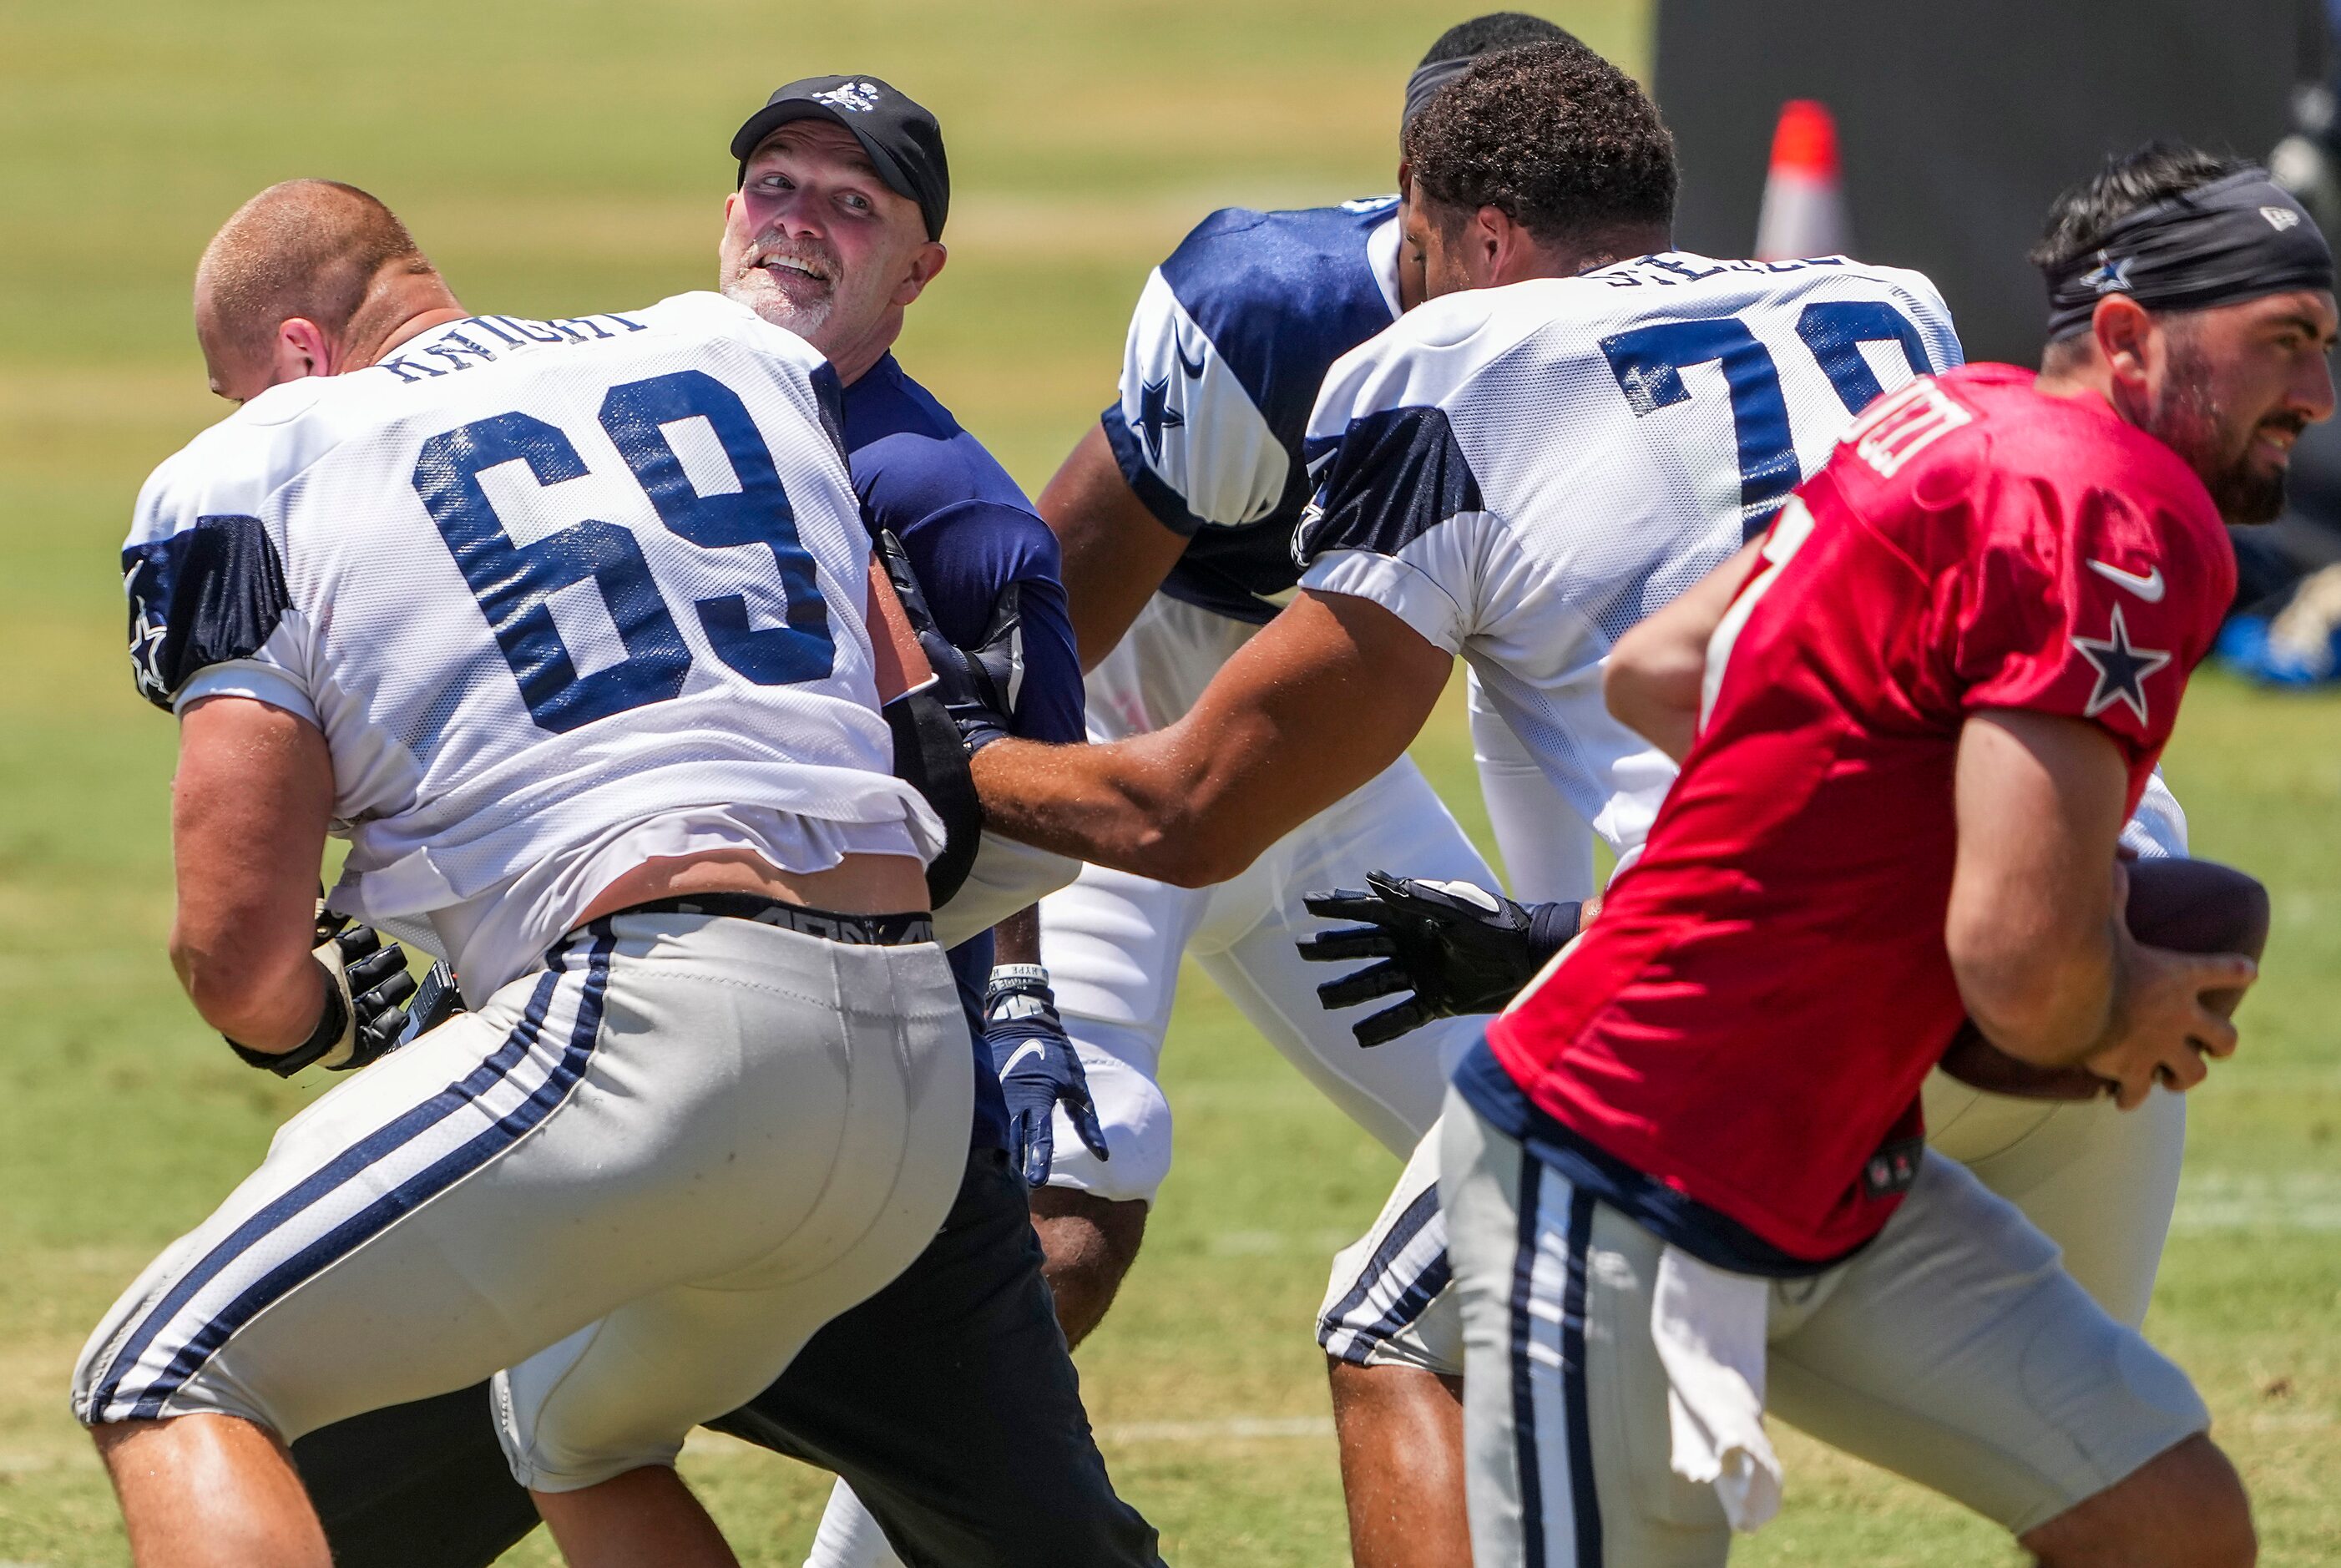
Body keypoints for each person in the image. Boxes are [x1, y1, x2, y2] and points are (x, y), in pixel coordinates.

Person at [913, 48, 2318, 1562]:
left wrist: (929, 757)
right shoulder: (1890, 312)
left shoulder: (1428, 367)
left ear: (1467, 235)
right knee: (2159, 1512)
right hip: (2080, 970)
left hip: (1780, 1024)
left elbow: (1191, 805)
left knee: (1400, 1330)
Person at [279, 78, 1165, 1568]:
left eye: (852, 202)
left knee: (1045, 1542)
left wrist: (1010, 987)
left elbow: (1018, 811)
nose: (798, 222)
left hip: (858, 1105)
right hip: (577, 1059)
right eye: (774, 184)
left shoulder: (948, 505)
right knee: (341, 1503)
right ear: (725, 212)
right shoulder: (580, 407)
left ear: (919, 268)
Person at [79, 179, 973, 1568]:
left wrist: (326, 1016)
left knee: (159, 1371)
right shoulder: (725, 351)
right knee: (571, 1427)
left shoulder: (266, 457)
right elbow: (925, 744)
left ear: (301, 358)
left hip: (659, 1028)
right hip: (914, 1074)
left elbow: (235, 954)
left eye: (234, 387)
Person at [1023, 18, 1573, 1558]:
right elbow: (1046, 627)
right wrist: (1001, 944)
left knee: (1560, 1164)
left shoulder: (1597, 325)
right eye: (1493, 234)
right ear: (1416, 195)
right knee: (1065, 1224)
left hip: (1332, 758)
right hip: (1130, 742)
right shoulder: (1268, 307)